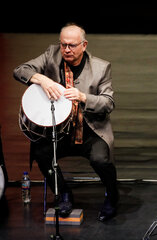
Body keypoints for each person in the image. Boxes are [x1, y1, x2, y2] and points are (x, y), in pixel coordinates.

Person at [13, 23, 118, 222]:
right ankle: (64, 193)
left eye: (72, 45)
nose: (66, 50)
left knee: (100, 160)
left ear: (84, 45)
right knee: (41, 152)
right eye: (63, 45)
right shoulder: (51, 55)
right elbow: (20, 70)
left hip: (89, 130)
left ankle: (112, 196)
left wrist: (83, 97)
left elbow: (108, 103)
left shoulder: (101, 67)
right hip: (59, 130)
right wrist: (42, 80)